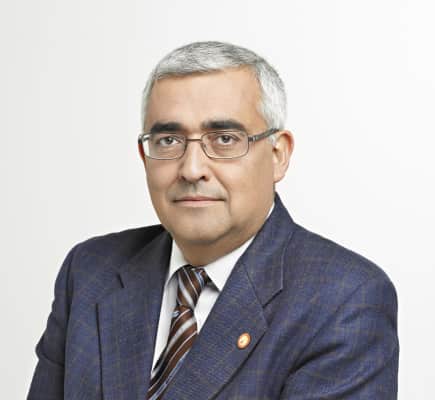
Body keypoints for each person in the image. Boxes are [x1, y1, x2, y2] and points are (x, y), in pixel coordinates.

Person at [28, 41, 399, 399]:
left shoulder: (344, 300)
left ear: (278, 155)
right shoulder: (91, 271)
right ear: (145, 157)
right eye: (169, 141)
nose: (192, 169)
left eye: (224, 139)